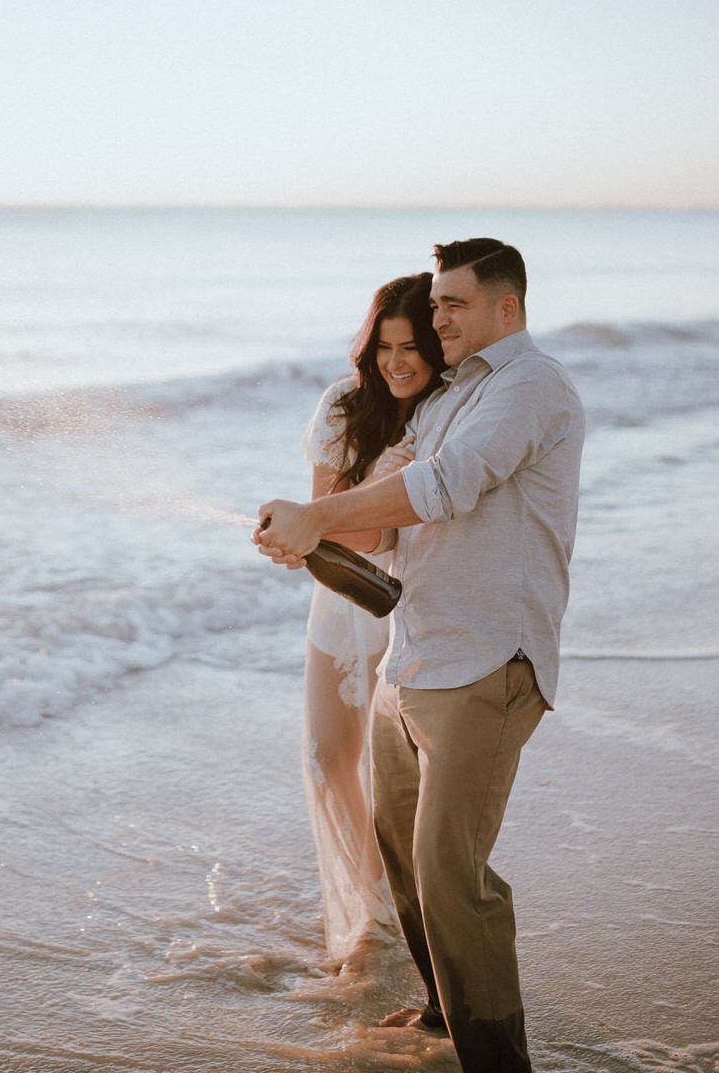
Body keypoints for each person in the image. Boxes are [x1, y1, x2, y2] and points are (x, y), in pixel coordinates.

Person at [254, 239, 585, 1073]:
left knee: (450, 875)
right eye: (432, 304)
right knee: (402, 854)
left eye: (453, 305)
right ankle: (445, 1011)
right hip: (412, 660)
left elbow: (447, 484)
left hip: (486, 660)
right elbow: (388, 531)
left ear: (505, 308)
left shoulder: (529, 386)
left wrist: (316, 518)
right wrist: (303, 528)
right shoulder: (447, 398)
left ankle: (497, 1060)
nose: (437, 319)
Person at [300, 274, 445, 967]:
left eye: (412, 346)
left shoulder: (446, 415)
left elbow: (380, 531)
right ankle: (369, 901)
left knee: (402, 779)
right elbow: (326, 523)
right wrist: (297, 534)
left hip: (415, 602)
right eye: (384, 346)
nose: (396, 362)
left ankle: (399, 911)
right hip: (342, 597)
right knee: (328, 758)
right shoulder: (343, 404)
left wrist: (322, 527)